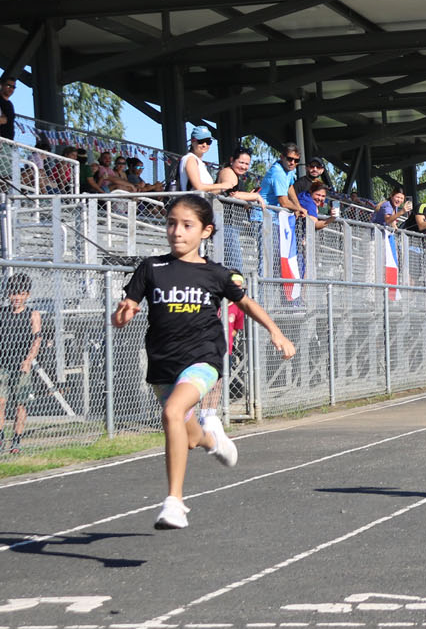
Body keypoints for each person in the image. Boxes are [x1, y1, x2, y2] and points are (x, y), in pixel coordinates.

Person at [112, 195, 295, 529]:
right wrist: (122, 315)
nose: (176, 232)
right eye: (171, 223)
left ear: (206, 231)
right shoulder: (151, 268)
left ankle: (174, 502)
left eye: (186, 225)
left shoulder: (216, 274)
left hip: (203, 358)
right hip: (163, 362)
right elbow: (124, 310)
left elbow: (248, 304)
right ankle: (212, 440)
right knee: (189, 433)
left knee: (172, 413)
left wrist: (276, 332)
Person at [0, 274, 42, 452]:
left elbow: (37, 339)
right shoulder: (2, 313)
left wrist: (28, 361)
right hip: (3, 363)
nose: (17, 298)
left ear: (27, 295)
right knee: (1, 401)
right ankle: (1, 437)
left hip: (21, 365)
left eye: (21, 294)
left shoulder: (32, 314)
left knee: (20, 404)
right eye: (13, 294)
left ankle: (16, 440)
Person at [178, 126, 233, 195]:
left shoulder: (200, 163)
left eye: (208, 142)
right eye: (201, 141)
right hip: (192, 203)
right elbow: (198, 187)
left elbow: (206, 192)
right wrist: (222, 185)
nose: (204, 145)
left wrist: (224, 189)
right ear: (192, 141)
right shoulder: (190, 159)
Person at [260, 143, 306, 218]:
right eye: (289, 159)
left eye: (296, 160)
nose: (292, 163)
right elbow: (284, 202)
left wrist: (297, 206)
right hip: (261, 217)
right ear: (282, 157)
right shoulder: (278, 172)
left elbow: (290, 187)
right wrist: (300, 209)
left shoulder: (288, 169)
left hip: (273, 216)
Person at [0, 77, 16, 142]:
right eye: (9, 86)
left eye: (13, 87)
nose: (11, 89)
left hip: (8, 143)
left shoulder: (10, 104)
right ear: (1, 86)